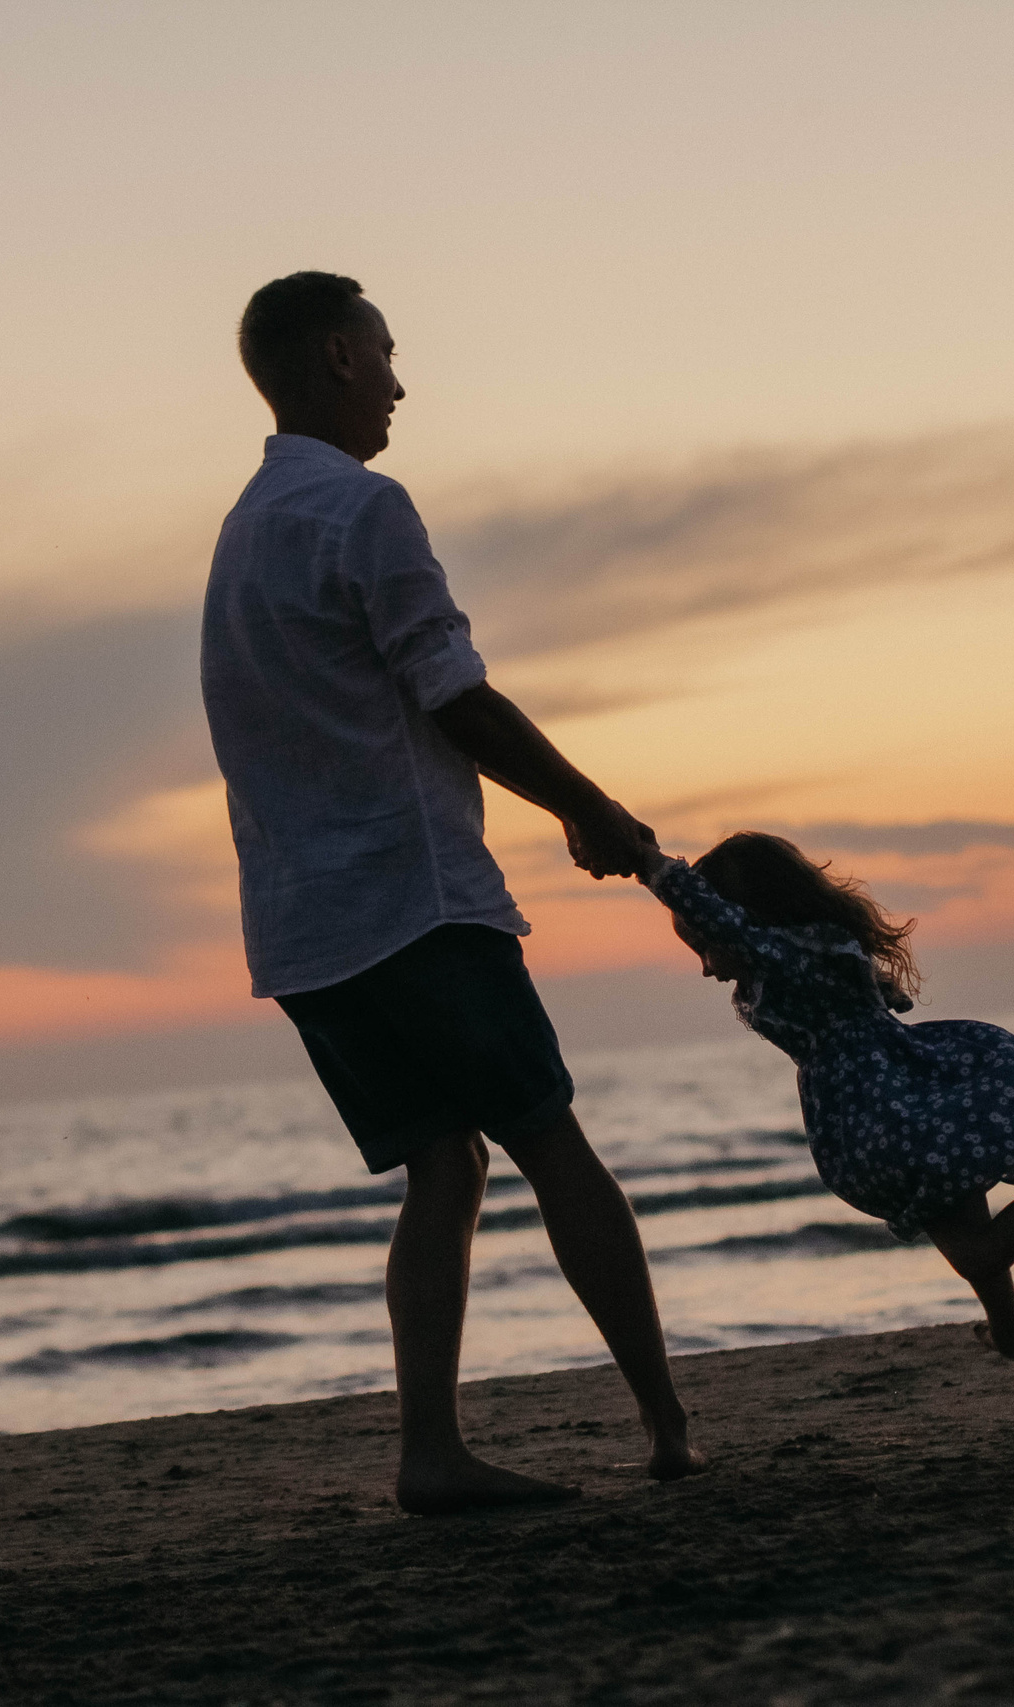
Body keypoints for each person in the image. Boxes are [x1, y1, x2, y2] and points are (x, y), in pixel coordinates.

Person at [202, 271, 702, 1514]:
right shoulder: (359, 509)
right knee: (549, 1140)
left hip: (304, 925)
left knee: (446, 1167)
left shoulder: (243, 532)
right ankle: (668, 1431)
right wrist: (589, 806)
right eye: (382, 353)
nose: (399, 381)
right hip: (411, 899)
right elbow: (452, 691)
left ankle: (431, 1453)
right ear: (332, 357)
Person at [639, 831, 1014, 1363]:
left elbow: (718, 917)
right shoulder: (813, 945)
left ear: (747, 917)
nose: (706, 967)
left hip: (883, 1107)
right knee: (969, 1224)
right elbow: (841, 985)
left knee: (975, 1253)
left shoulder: (780, 954)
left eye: (705, 947)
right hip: (908, 1086)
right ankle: (1006, 1332)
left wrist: (650, 864)